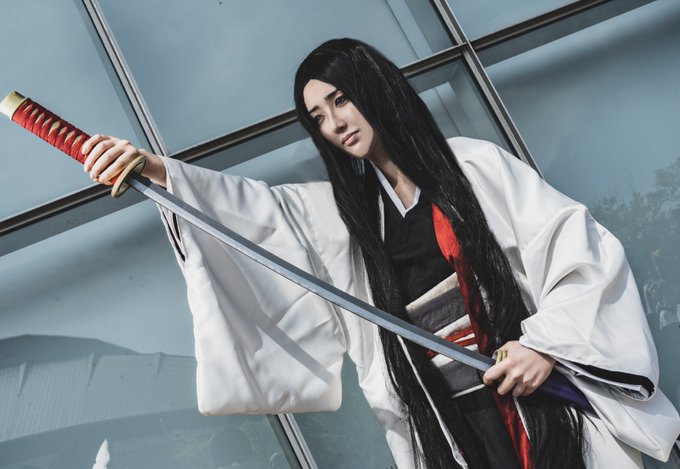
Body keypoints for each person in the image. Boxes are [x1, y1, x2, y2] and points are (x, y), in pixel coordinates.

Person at [79, 38, 680, 468]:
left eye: (340, 99)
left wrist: (543, 345)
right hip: (452, 425)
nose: (334, 124)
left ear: (373, 89)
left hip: (532, 402)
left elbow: (580, 252)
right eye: (318, 117)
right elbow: (257, 214)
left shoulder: (473, 167)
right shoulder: (348, 217)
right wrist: (153, 168)